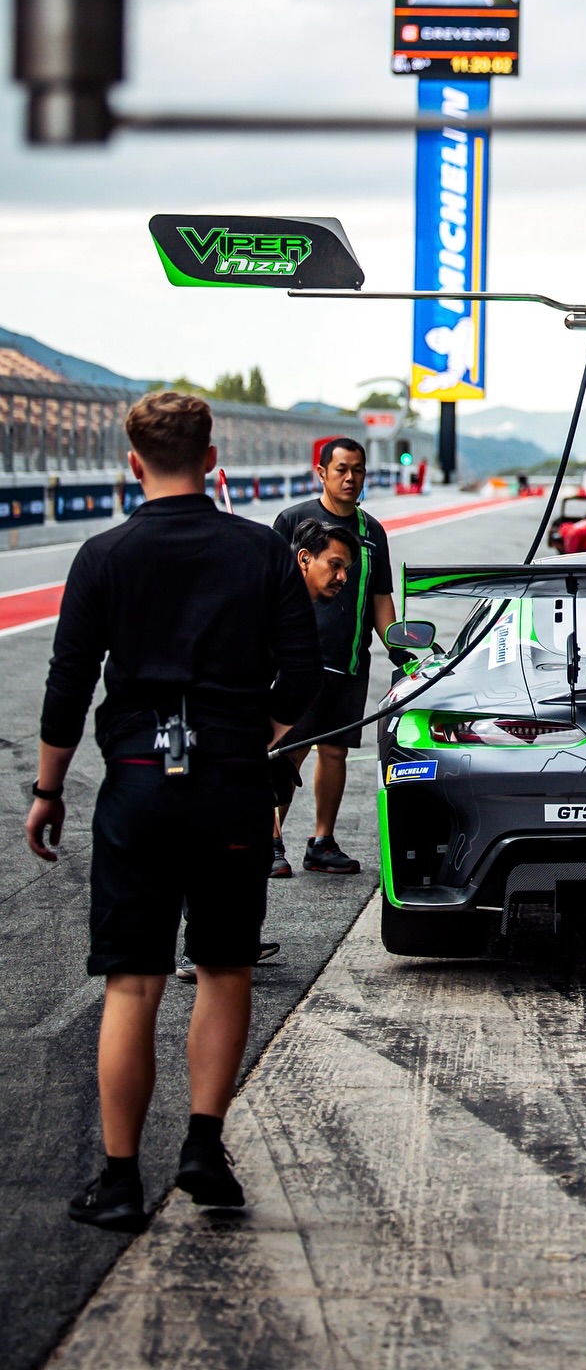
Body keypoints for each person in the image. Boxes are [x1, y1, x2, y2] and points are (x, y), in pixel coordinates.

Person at [26, 392, 321, 1230]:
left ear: (132, 461)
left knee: (134, 980)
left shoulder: (103, 556)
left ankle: (119, 1181)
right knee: (224, 967)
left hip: (136, 782)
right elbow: (303, 678)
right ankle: (202, 1147)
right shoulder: (261, 551)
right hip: (229, 783)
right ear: (213, 456)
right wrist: (246, 733)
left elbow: (68, 682)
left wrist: (48, 790)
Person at [272, 438, 396, 876]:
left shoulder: (372, 533)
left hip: (350, 663)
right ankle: (270, 840)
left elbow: (381, 599)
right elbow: (269, 586)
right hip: (296, 664)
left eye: (358, 470)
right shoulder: (292, 521)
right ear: (321, 473)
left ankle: (321, 842)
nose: (350, 478)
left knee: (335, 751)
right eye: (341, 469)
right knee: (287, 752)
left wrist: (400, 649)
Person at [271, 520, 357, 871]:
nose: (342, 578)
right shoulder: (268, 601)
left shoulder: (296, 609)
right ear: (304, 558)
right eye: (334, 565)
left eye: (346, 569)